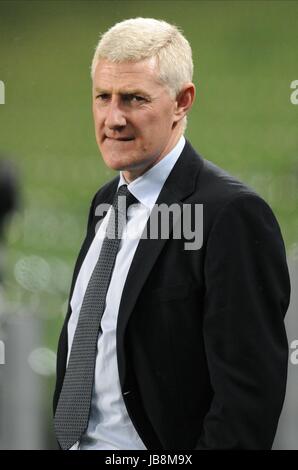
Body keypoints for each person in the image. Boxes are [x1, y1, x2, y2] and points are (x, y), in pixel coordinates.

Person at [53, 18, 290, 450]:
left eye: (134, 99)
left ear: (183, 102)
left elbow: (246, 401)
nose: (113, 118)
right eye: (103, 97)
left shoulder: (231, 215)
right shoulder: (106, 202)